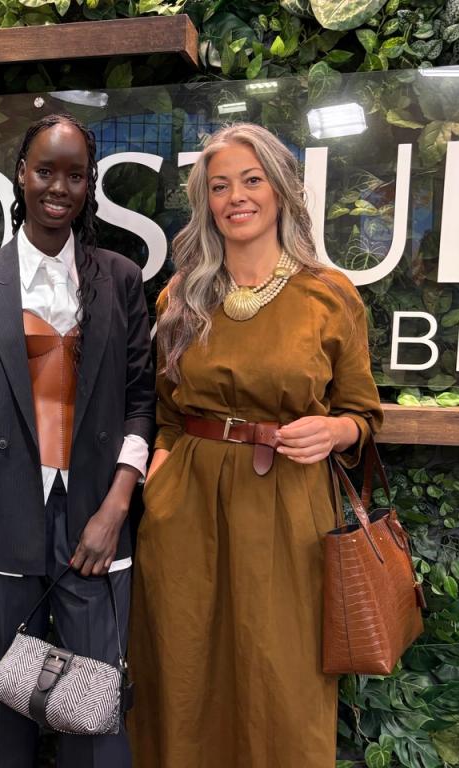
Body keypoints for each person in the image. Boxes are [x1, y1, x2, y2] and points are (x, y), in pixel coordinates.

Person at [127, 122, 384, 767]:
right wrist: (159, 476)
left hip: (289, 506)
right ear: (205, 202)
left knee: (282, 673)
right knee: (183, 665)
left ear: (281, 191)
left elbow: (362, 412)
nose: (236, 197)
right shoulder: (180, 296)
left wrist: (335, 430)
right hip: (187, 504)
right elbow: (165, 410)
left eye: (251, 180)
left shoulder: (328, 295)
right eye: (219, 186)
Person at [0, 113, 154, 768]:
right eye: (46, 171)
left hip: (94, 524)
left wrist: (116, 508)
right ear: (21, 175)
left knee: (96, 720)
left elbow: (141, 404)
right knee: (0, 721)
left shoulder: (120, 279)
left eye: (75, 175)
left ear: (90, 185)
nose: (59, 187)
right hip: (0, 521)